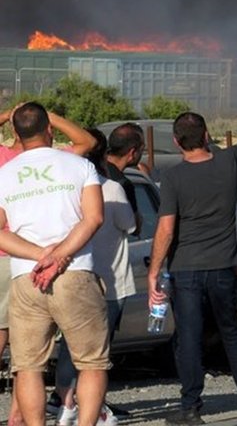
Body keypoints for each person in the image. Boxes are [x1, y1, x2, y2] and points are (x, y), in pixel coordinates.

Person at [148, 112, 237, 426]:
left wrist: (154, 271)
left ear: (176, 142)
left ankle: (190, 408)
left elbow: (166, 230)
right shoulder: (229, 163)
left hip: (186, 270)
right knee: (233, 333)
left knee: (189, 337)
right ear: (206, 136)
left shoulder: (173, 178)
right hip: (224, 267)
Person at [0, 102, 110, 426]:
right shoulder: (79, 165)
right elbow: (94, 218)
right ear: (50, 129)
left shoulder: (4, 174)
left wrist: (39, 255)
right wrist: (59, 255)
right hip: (74, 273)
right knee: (92, 362)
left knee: (28, 366)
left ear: (14, 133)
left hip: (26, 278)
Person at [47, 128, 136, 426]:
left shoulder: (60, 190)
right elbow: (131, 225)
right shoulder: (111, 188)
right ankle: (94, 409)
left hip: (68, 277)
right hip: (110, 283)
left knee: (69, 349)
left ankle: (64, 402)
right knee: (96, 355)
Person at [105, 123, 145, 235]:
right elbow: (135, 228)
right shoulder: (122, 184)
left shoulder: (92, 170)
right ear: (132, 153)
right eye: (142, 149)